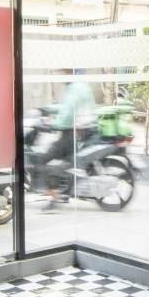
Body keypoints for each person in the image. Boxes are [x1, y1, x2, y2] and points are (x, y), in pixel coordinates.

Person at [42, 71, 95, 212]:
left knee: (46, 159)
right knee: (65, 162)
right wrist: (49, 109)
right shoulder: (83, 85)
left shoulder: (74, 88)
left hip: (72, 133)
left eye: (62, 71)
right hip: (84, 132)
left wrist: (53, 124)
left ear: (68, 72)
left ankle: (54, 199)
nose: (60, 74)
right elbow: (67, 108)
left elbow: (68, 112)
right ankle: (64, 192)